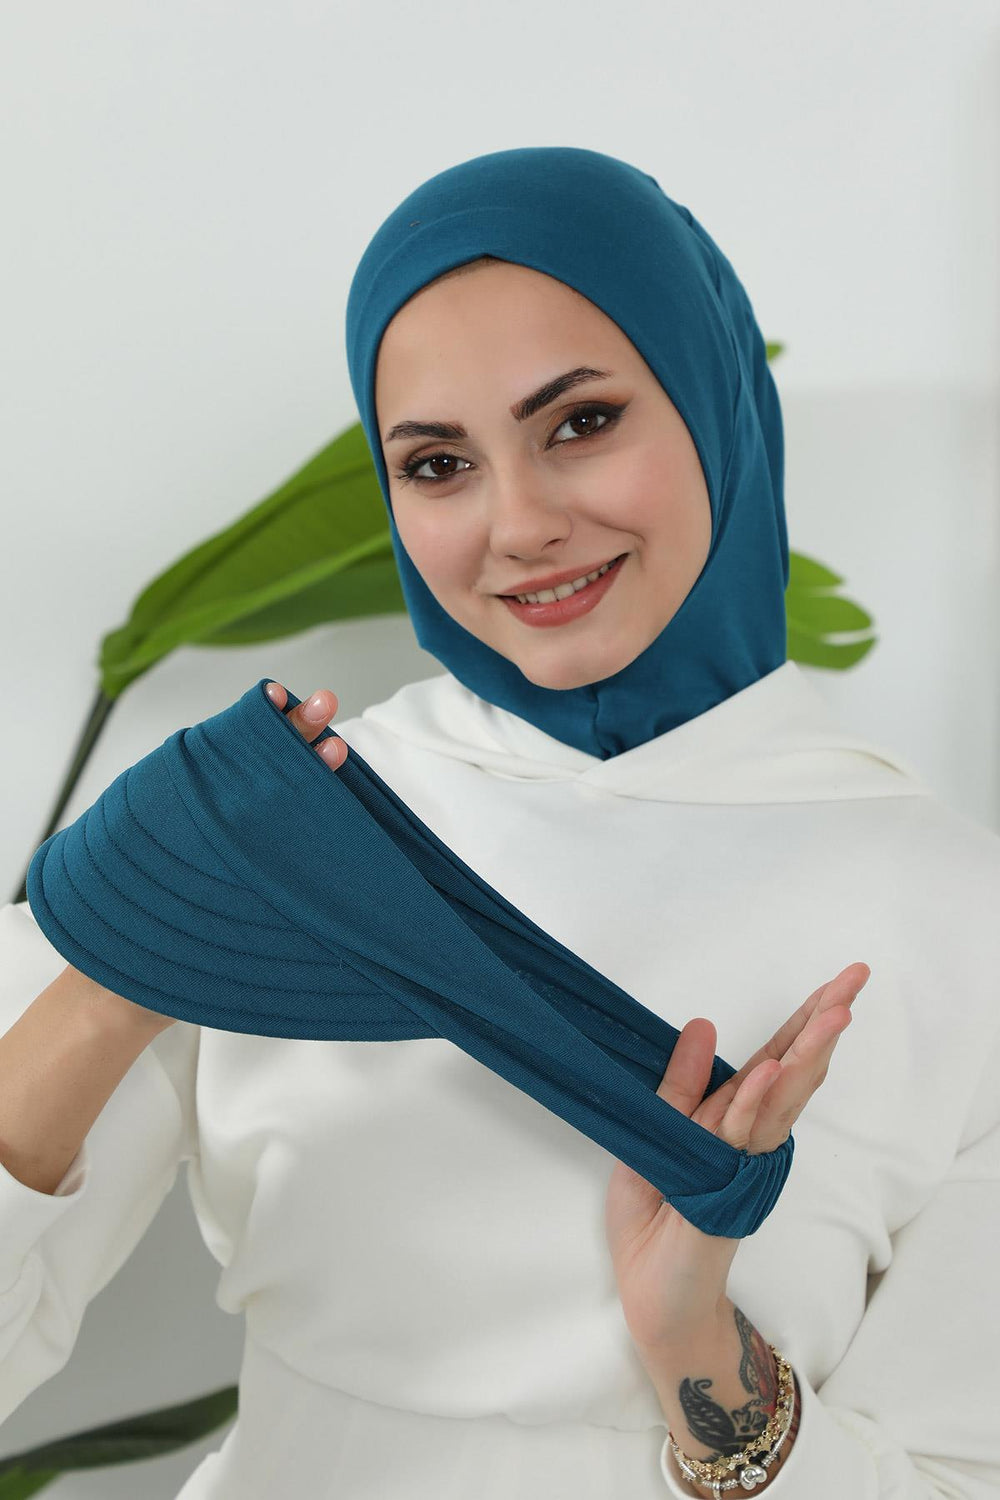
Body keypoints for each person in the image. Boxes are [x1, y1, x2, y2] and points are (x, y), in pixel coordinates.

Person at [1, 146, 998, 1499]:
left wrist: (701, 1358)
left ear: (713, 404)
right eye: (437, 463)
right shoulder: (283, 816)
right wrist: (115, 970)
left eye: (580, 423)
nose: (519, 525)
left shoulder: (955, 911)